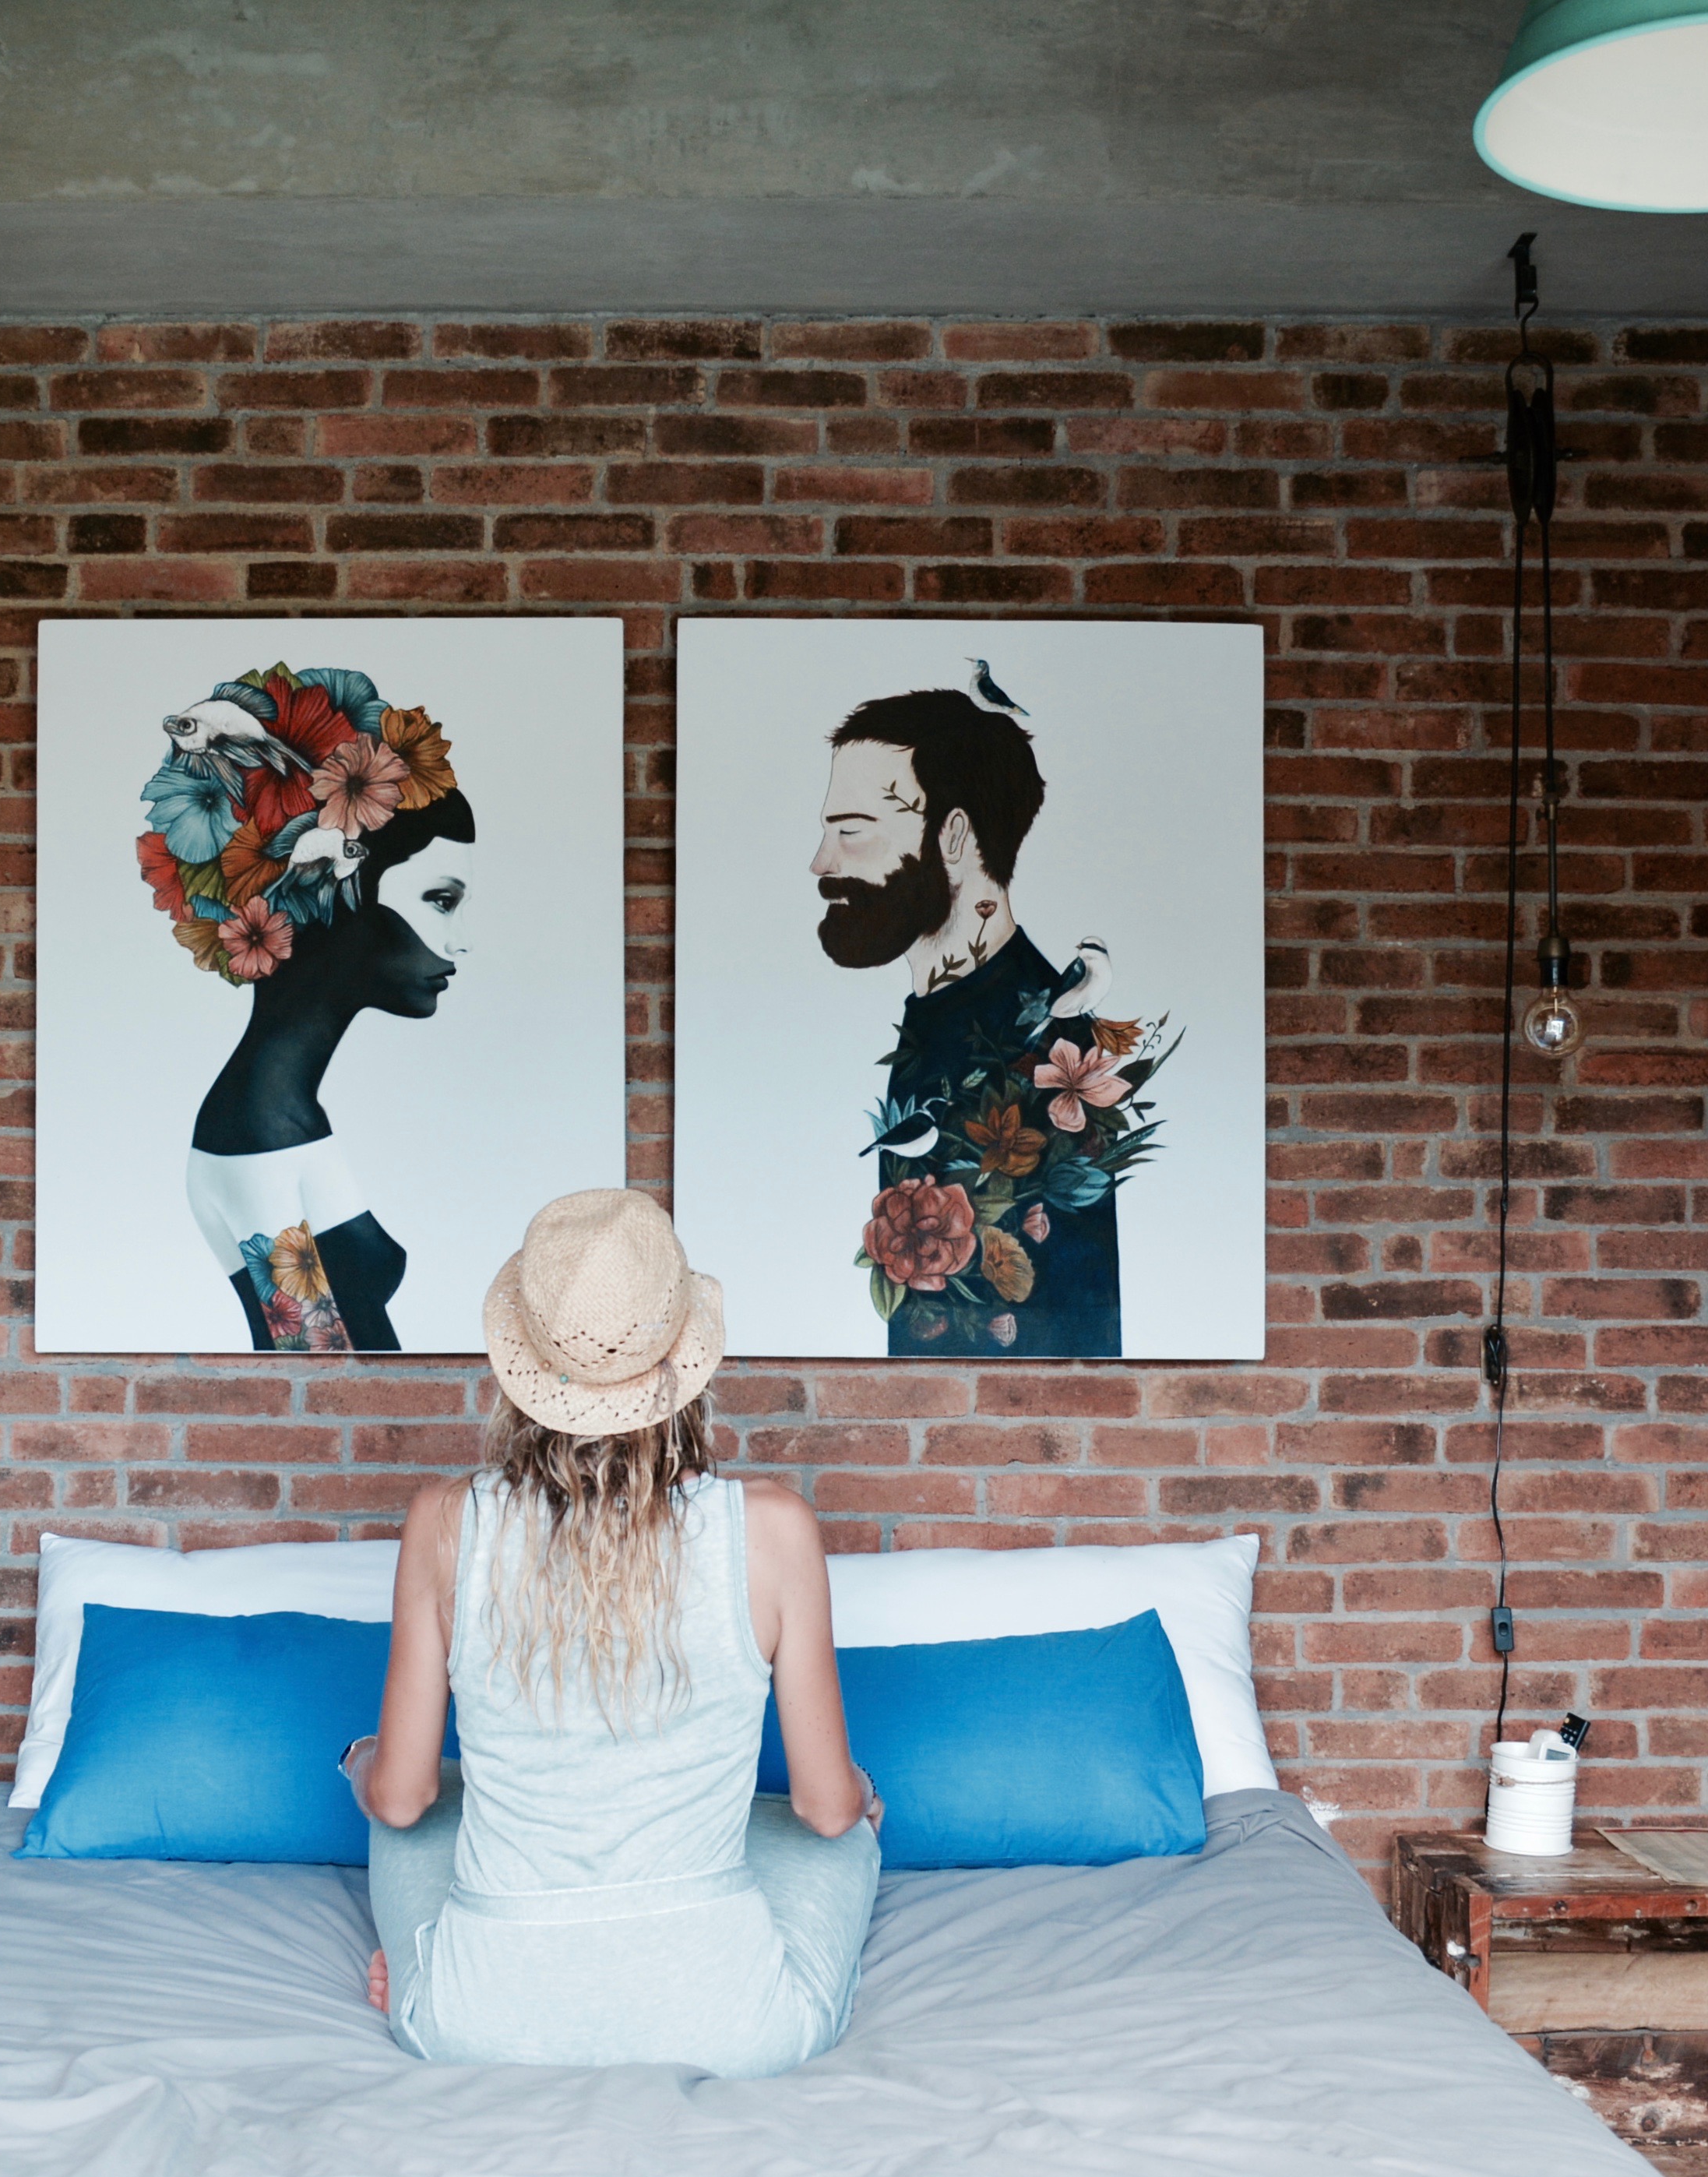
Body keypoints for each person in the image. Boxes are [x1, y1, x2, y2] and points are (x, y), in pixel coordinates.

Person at [343, 1187, 883, 2077]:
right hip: (731, 2026)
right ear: (683, 1362)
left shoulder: (443, 1521)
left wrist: (361, 1758)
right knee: (851, 1831)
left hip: (476, 2020)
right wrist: (862, 1793)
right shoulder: (773, 1529)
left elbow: (400, 1800)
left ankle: (424, 1970)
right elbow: (825, 1811)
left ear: (523, 1365)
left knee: (413, 1810)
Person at [809, 685, 1165, 1358]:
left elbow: (1079, 1332)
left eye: (851, 831)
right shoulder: (940, 1019)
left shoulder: (1053, 1051)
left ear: (953, 835)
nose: (821, 862)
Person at [137, 661, 475, 1351]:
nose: (460, 941)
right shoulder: (255, 1135)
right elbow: (309, 1361)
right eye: (441, 900)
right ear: (335, 892)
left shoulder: (275, 1114)